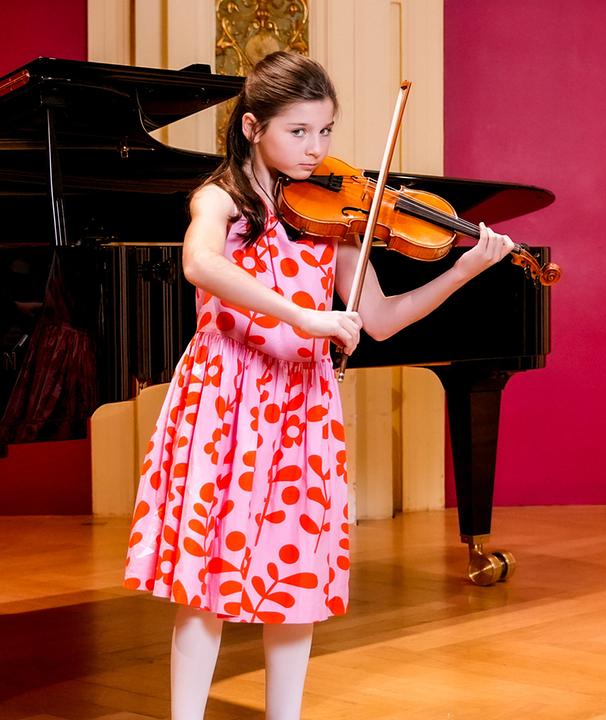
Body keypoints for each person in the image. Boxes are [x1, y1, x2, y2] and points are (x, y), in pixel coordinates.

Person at [122, 51, 515, 720]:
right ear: (252, 127)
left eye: (326, 130)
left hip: (300, 405)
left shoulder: (332, 215)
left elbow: (382, 319)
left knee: (293, 576)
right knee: (204, 581)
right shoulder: (220, 199)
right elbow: (199, 264)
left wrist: (462, 271)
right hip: (226, 398)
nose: (317, 148)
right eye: (299, 131)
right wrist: (301, 315)